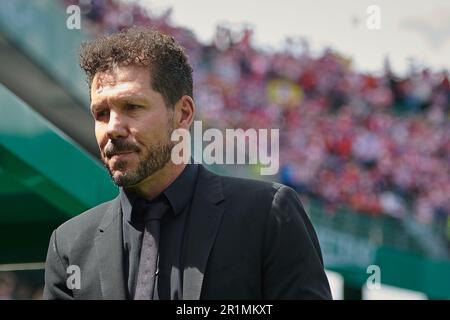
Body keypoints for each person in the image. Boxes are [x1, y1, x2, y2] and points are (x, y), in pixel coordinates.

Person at [43, 27, 332, 300]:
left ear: (182, 114)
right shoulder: (70, 245)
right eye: (102, 113)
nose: (113, 128)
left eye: (132, 107)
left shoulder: (268, 215)